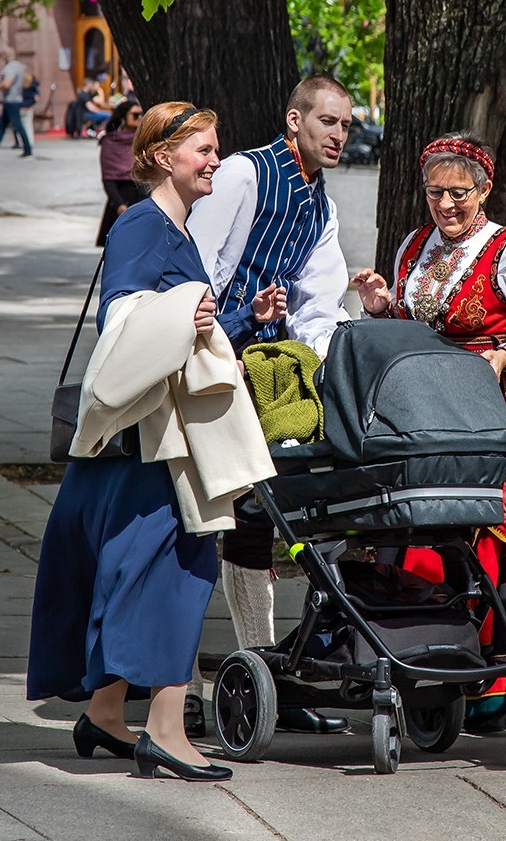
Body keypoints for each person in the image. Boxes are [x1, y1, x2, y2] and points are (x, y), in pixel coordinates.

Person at [27, 101, 286, 782]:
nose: (215, 160)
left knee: (153, 575)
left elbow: (176, 322)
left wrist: (236, 317)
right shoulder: (144, 224)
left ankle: (109, 713)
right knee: (180, 572)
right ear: (163, 155)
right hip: (148, 453)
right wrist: (187, 312)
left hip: (149, 446)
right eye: (203, 148)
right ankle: (166, 729)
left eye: (217, 147)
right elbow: (125, 322)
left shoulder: (173, 226)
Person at [352, 132, 506, 731]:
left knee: (487, 531)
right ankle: (425, 663)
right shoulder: (413, 246)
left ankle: (497, 685)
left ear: (485, 190)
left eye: (459, 193)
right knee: (421, 523)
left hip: (490, 412)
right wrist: (382, 308)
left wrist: (504, 357)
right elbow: (409, 326)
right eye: (435, 193)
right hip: (425, 410)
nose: (447, 205)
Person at [187, 74, 354, 736]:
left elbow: (318, 301)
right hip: (205, 359)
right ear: (295, 119)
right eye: (328, 121)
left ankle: (264, 675)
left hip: (265, 374)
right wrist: (221, 329)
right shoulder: (243, 174)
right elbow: (195, 263)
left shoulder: (321, 204)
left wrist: (326, 370)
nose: (339, 134)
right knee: (203, 518)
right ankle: (183, 686)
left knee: (261, 515)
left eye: (345, 124)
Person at [96, 99, 146, 246]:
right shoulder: (110, 141)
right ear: (123, 117)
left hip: (146, 198)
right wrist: (119, 205)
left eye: (142, 114)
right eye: (135, 115)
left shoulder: (146, 140)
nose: (140, 118)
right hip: (123, 199)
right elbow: (108, 178)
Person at [0, 52, 33, 158]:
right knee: (2, 127)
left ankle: (28, 149)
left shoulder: (10, 67)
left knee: (18, 126)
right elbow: (3, 80)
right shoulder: (19, 66)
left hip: (11, 101)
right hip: (13, 100)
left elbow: (6, 84)